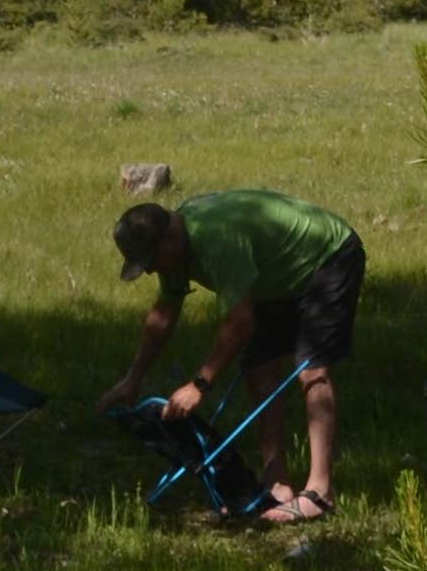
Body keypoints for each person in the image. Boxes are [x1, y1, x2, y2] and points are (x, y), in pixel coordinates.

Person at [104, 188, 361, 523]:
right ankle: (277, 483)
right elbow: (164, 313)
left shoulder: (216, 240)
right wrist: (133, 378)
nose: (151, 271)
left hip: (327, 255)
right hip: (278, 275)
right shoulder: (176, 247)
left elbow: (240, 323)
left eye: (150, 261)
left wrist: (200, 384)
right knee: (258, 369)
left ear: (169, 239)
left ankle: (319, 493)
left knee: (311, 369)